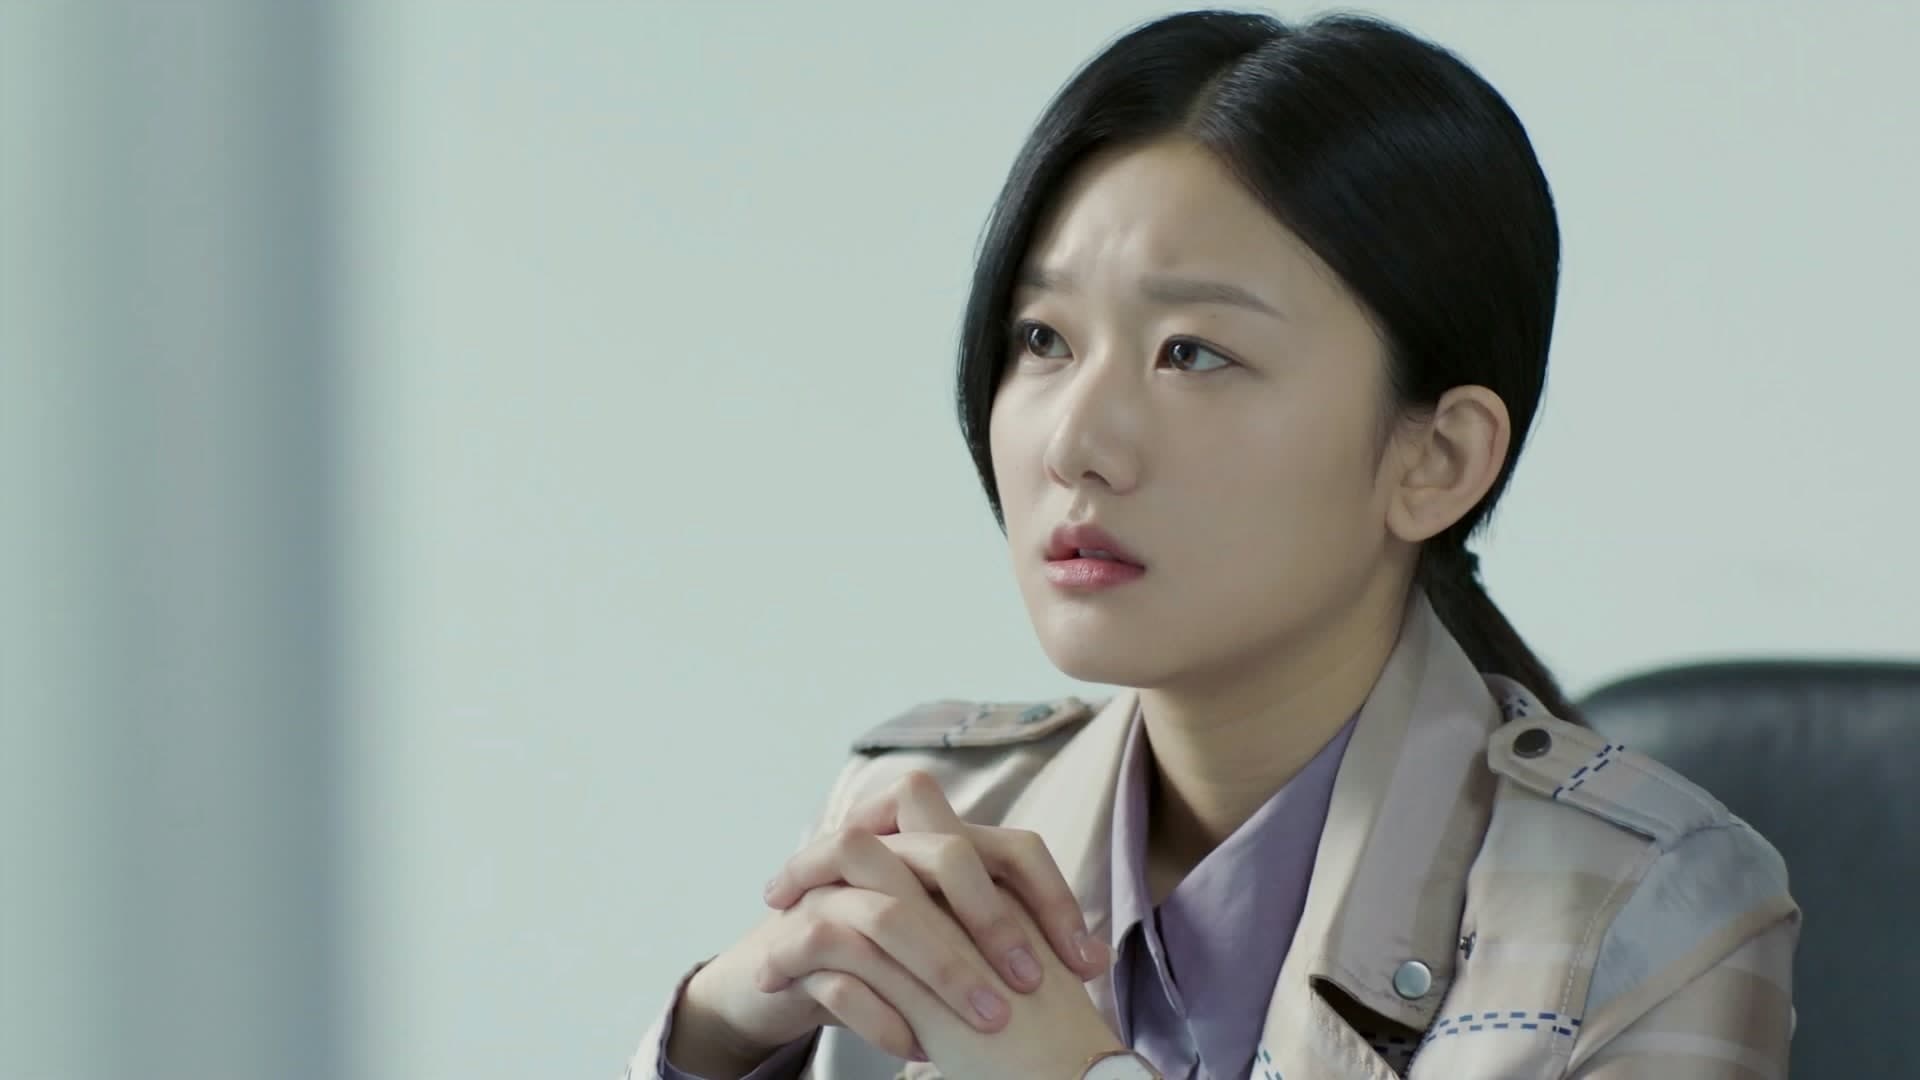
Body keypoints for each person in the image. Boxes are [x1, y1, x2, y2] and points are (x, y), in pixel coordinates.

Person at [625, 9, 1798, 1079]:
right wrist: (717, 1039)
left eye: (1192, 353)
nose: (1076, 442)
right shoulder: (928, 813)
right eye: (1043, 339)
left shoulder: (1650, 908)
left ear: (1436, 459)